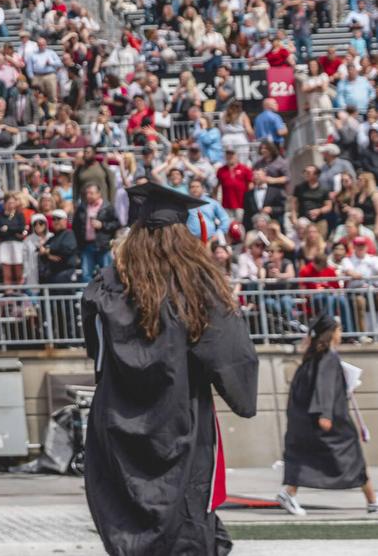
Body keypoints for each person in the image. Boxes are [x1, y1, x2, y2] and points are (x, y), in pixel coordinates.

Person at [83, 181, 259, 555]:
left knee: (127, 528)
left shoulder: (105, 287)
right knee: (185, 530)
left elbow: (97, 353)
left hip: (116, 426)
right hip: (179, 424)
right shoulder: (196, 286)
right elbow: (231, 353)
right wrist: (241, 395)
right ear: (182, 235)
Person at [278, 313, 376, 516]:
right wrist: (325, 414)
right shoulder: (327, 358)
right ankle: (372, 501)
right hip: (328, 420)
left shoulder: (312, 357)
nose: (341, 334)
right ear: (331, 333)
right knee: (353, 456)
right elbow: (324, 388)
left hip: (304, 418)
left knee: (304, 456)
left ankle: (290, 492)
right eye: (339, 330)